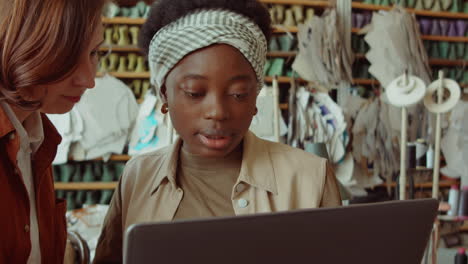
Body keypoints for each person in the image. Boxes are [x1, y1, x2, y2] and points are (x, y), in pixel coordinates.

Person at [93, 0, 341, 262]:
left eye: (238, 94)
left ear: (255, 97)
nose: (218, 112)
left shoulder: (310, 179)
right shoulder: (137, 178)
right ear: (164, 94)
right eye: (194, 92)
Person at [0, 0, 106, 263]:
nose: (88, 80)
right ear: (22, 45)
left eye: (94, 53)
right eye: (68, 57)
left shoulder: (36, 139)